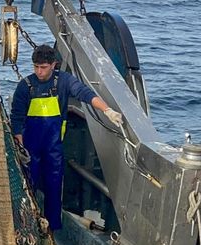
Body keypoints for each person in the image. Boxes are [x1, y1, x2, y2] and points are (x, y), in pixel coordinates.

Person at [10, 44, 123, 232]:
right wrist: (20, 146)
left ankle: (51, 229)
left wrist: (107, 110)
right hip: (30, 150)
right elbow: (16, 118)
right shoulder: (25, 86)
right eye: (36, 67)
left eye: (43, 67)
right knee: (27, 188)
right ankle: (26, 228)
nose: (39, 71)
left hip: (53, 148)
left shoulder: (63, 82)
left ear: (54, 65)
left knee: (54, 190)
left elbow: (85, 93)